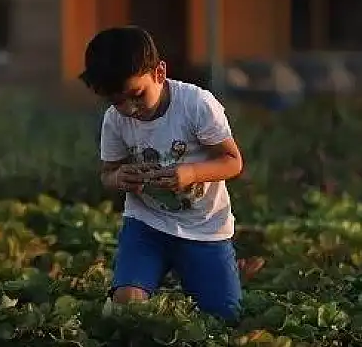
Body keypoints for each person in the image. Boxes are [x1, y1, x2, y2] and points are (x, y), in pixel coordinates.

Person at [81, 26, 245, 320]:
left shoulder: (196, 104)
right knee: (127, 306)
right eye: (117, 101)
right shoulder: (114, 120)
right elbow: (107, 174)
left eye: (136, 95)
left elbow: (232, 162)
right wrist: (119, 179)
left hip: (204, 227)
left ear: (159, 72)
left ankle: (220, 275)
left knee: (224, 318)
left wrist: (191, 173)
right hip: (147, 225)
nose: (129, 109)